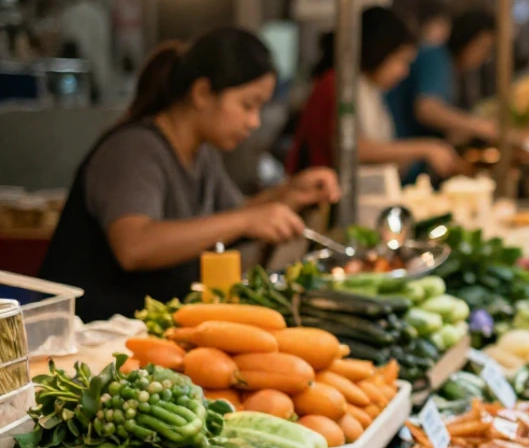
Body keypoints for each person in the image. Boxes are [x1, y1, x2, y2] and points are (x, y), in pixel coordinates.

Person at [41, 28, 339, 321]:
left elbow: (232, 218)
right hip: (89, 341)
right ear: (202, 93)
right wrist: (249, 219)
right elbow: (134, 246)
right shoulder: (133, 149)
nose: (254, 122)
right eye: (248, 105)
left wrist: (289, 195)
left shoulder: (202, 154)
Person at [289, 7, 463, 176]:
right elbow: (353, 148)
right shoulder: (337, 86)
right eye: (401, 61)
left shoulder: (368, 89)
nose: (404, 72)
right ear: (378, 51)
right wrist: (424, 148)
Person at [386, 0, 500, 144]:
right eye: (483, 47)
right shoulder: (435, 58)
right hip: (400, 150)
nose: (484, 56)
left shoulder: (452, 67)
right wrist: (480, 126)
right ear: (467, 38)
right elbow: (426, 109)